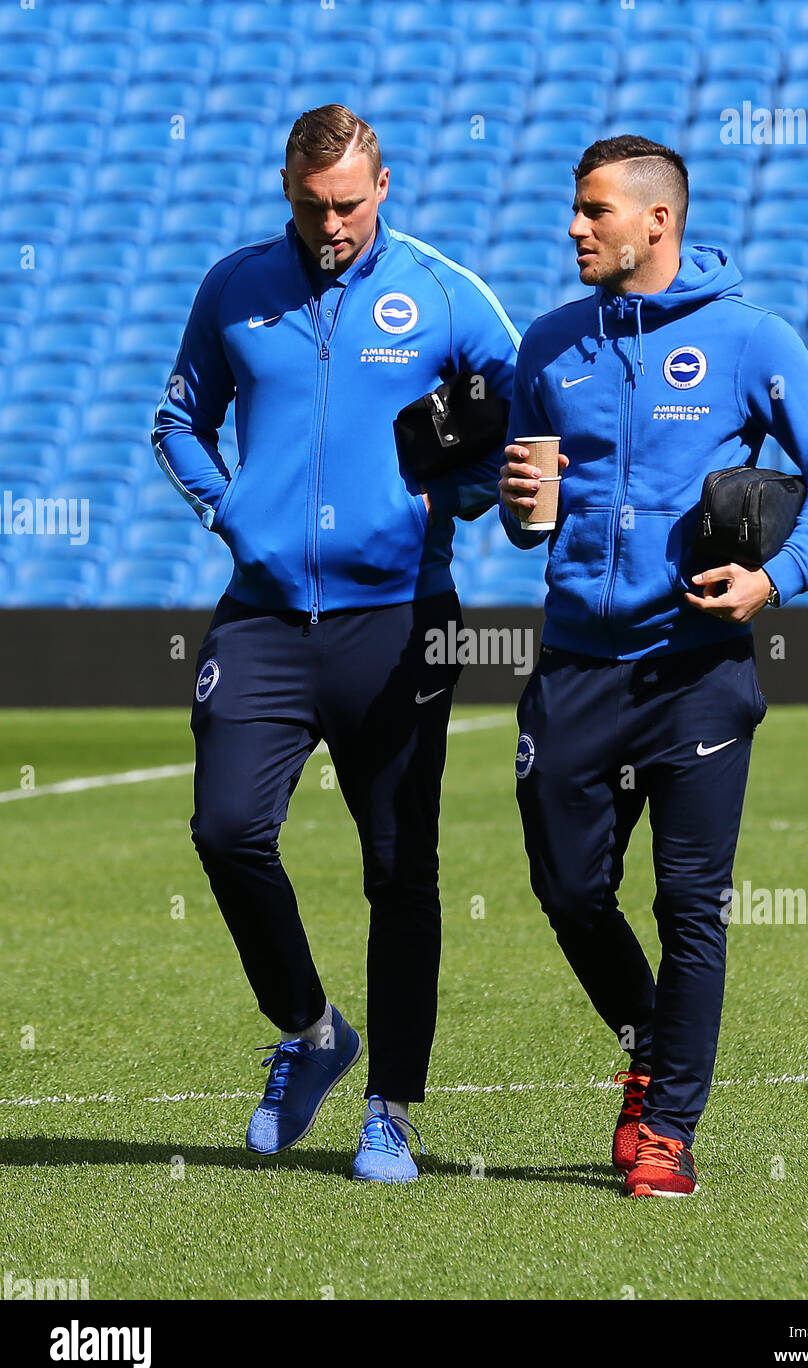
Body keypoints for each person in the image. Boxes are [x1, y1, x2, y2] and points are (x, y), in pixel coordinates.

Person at [153, 105, 518, 1183]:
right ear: (284, 189)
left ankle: (390, 1110)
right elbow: (178, 421)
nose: (330, 226)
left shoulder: (446, 294)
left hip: (400, 615)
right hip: (263, 615)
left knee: (399, 865)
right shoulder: (234, 287)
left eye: (348, 204)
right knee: (225, 829)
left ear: (384, 186)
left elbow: (516, 423)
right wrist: (237, 515)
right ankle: (310, 1030)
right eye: (310, 205)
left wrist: (450, 492)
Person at [499, 135, 808, 1198]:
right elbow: (529, 511)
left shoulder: (750, 339)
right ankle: (653, 1043)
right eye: (573, 209)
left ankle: (665, 1127)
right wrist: (529, 514)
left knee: (689, 907)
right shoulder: (549, 345)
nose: (574, 226)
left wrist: (778, 576)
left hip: (696, 670)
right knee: (569, 890)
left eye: (593, 210)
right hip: (573, 666)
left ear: (654, 222)